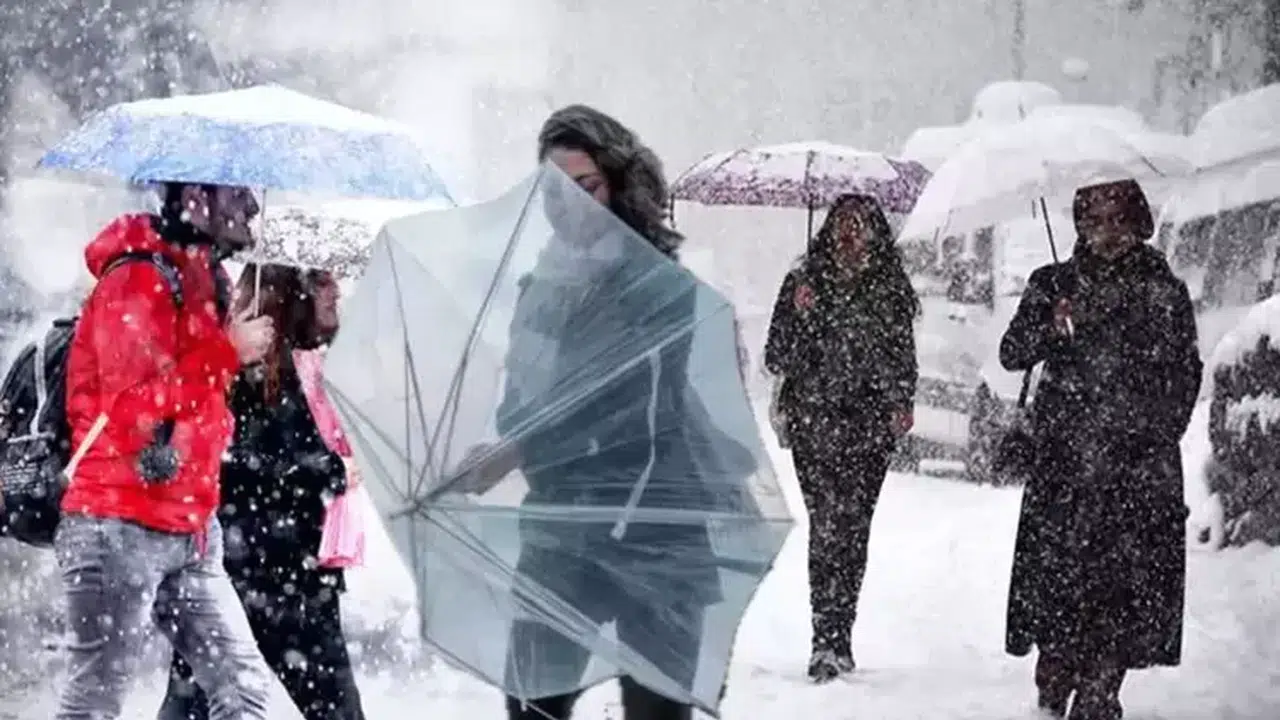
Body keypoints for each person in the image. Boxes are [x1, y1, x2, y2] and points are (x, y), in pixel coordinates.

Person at [459, 104, 750, 720]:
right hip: (565, 526)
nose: (568, 205)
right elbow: (521, 404)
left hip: (660, 530)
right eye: (553, 191)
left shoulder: (662, 289)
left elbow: (631, 406)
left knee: (656, 711)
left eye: (584, 186)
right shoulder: (539, 289)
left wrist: (521, 446)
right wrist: (502, 444)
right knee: (532, 702)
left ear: (618, 184)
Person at [57, 182, 276, 719]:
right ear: (196, 195)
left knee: (244, 692)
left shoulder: (206, 278)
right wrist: (226, 352)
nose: (252, 205)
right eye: (238, 193)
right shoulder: (138, 277)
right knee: (94, 703)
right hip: (117, 522)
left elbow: (197, 399)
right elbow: (130, 407)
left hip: (191, 527)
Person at [1000, 178, 1202, 720]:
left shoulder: (1163, 289)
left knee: (1123, 588)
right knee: (1060, 584)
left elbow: (1186, 371)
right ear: (1080, 225)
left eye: (1119, 219)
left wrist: (1158, 432)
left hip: (1136, 467)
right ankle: (1057, 667)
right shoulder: (1053, 283)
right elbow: (1012, 353)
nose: (1108, 231)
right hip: (1065, 465)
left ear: (1138, 222)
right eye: (1096, 220)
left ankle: (1101, 690)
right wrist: (1052, 325)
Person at [156, 264, 367, 720]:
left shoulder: (290, 367)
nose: (334, 290)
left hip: (249, 569)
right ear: (292, 298)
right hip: (276, 574)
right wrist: (333, 470)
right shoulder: (255, 373)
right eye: (321, 281)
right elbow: (248, 464)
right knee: (334, 709)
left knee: (194, 701)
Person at [763, 193, 919, 682]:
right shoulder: (803, 283)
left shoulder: (889, 288)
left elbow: (902, 356)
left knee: (853, 529)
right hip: (814, 421)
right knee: (827, 525)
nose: (850, 234)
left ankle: (841, 632)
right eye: (843, 224)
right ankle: (823, 639)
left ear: (876, 234)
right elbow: (776, 356)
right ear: (828, 230)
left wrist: (901, 401)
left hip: (868, 427)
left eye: (860, 225)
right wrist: (801, 314)